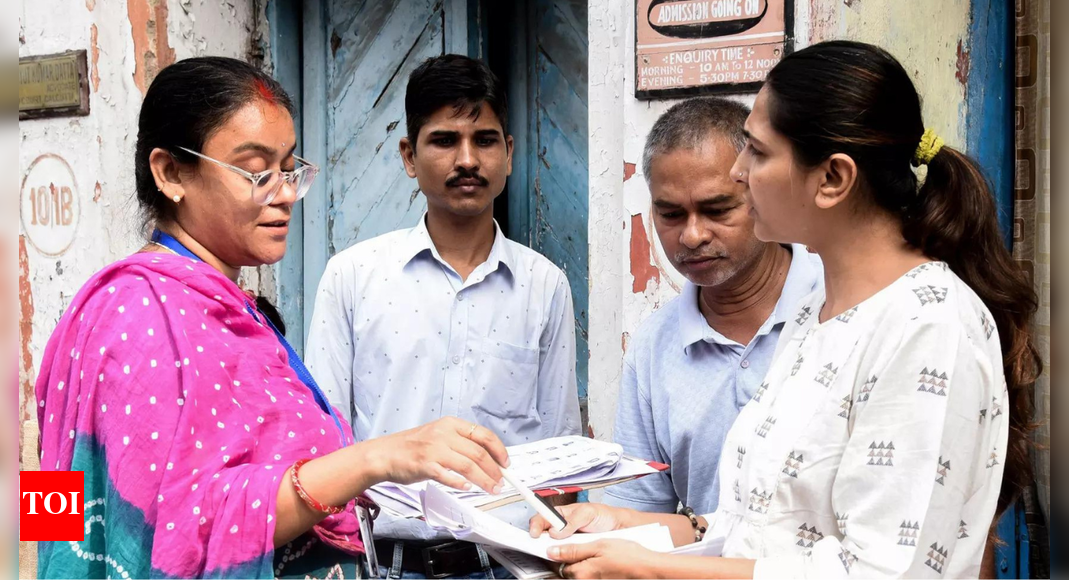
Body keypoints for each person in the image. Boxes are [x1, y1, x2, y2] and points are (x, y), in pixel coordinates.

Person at [529, 40, 1041, 579]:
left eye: (757, 151)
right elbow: (760, 531)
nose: (739, 174)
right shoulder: (819, 310)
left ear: (832, 179)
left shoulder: (927, 325)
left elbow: (882, 572)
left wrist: (652, 571)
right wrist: (623, 527)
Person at [34, 57, 511, 580]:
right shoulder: (139, 312)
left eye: (288, 169)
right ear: (170, 172)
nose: (284, 193)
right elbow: (174, 525)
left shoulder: (228, 307)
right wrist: (376, 460)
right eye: (256, 171)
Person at [305, 54, 580, 578]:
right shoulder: (353, 277)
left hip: (509, 564)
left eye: (485, 139)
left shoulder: (544, 286)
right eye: (444, 140)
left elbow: (560, 455)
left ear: (510, 154)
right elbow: (326, 442)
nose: (468, 159)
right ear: (409, 156)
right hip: (385, 564)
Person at [604, 97, 821, 517]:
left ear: (760, 190)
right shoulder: (654, 348)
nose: (692, 235)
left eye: (717, 209)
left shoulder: (836, 304)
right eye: (670, 214)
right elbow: (642, 518)